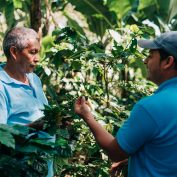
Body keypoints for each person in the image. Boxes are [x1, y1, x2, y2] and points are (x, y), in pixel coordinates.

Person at [74, 31, 177, 177]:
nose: (145, 61)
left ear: (168, 62)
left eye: (150, 56)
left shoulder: (151, 107)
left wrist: (86, 115)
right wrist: (134, 158)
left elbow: (116, 152)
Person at [0, 27, 54, 177]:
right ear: (14, 52)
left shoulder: (33, 79)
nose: (37, 58)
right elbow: (1, 136)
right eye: (32, 52)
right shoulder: (1, 86)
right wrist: (32, 127)